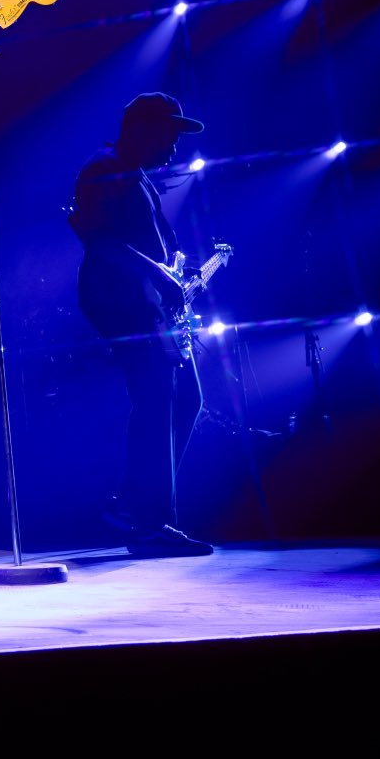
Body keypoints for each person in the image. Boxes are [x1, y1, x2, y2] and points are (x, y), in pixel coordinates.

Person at [69, 92, 216, 557]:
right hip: (121, 303)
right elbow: (96, 237)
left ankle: (135, 507)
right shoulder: (104, 166)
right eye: (167, 135)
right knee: (158, 403)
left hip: (143, 303)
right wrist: (157, 274)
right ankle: (149, 522)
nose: (174, 147)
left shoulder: (134, 174)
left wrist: (171, 271)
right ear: (140, 127)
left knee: (184, 398)